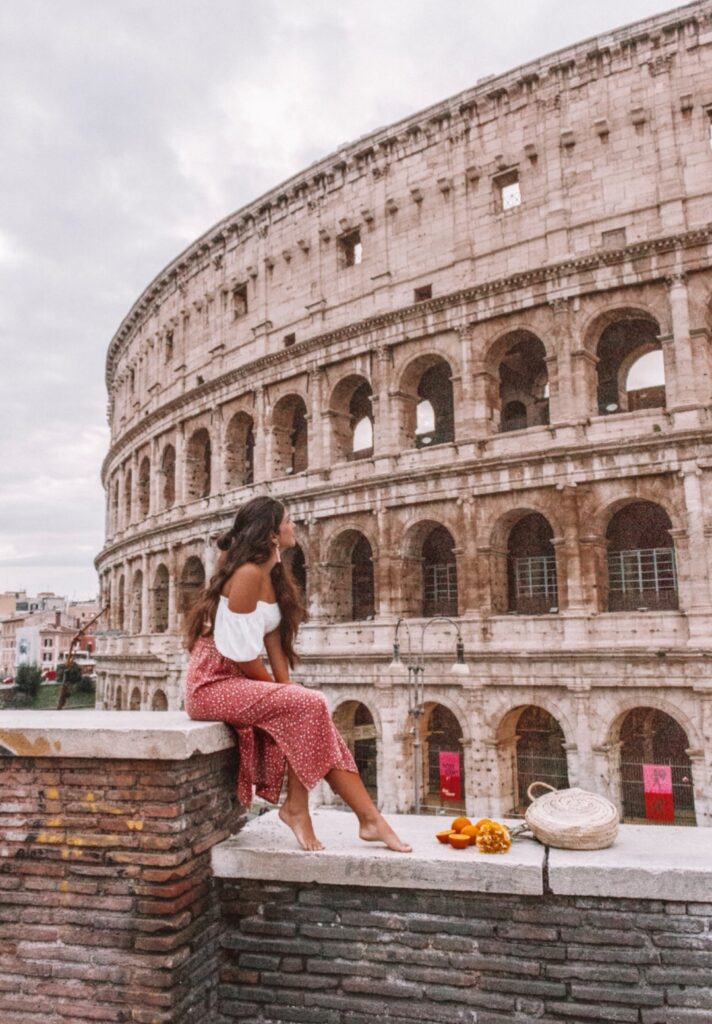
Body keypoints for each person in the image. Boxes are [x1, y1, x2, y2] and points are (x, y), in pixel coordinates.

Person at [184, 495, 411, 853]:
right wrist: (286, 696)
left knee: (308, 708)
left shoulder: (270, 576)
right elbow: (241, 654)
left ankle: (355, 817)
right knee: (307, 705)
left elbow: (273, 641)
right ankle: (334, 814)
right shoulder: (245, 575)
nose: (294, 527)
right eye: (288, 521)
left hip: (237, 679)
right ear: (272, 534)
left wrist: (287, 689)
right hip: (212, 683)